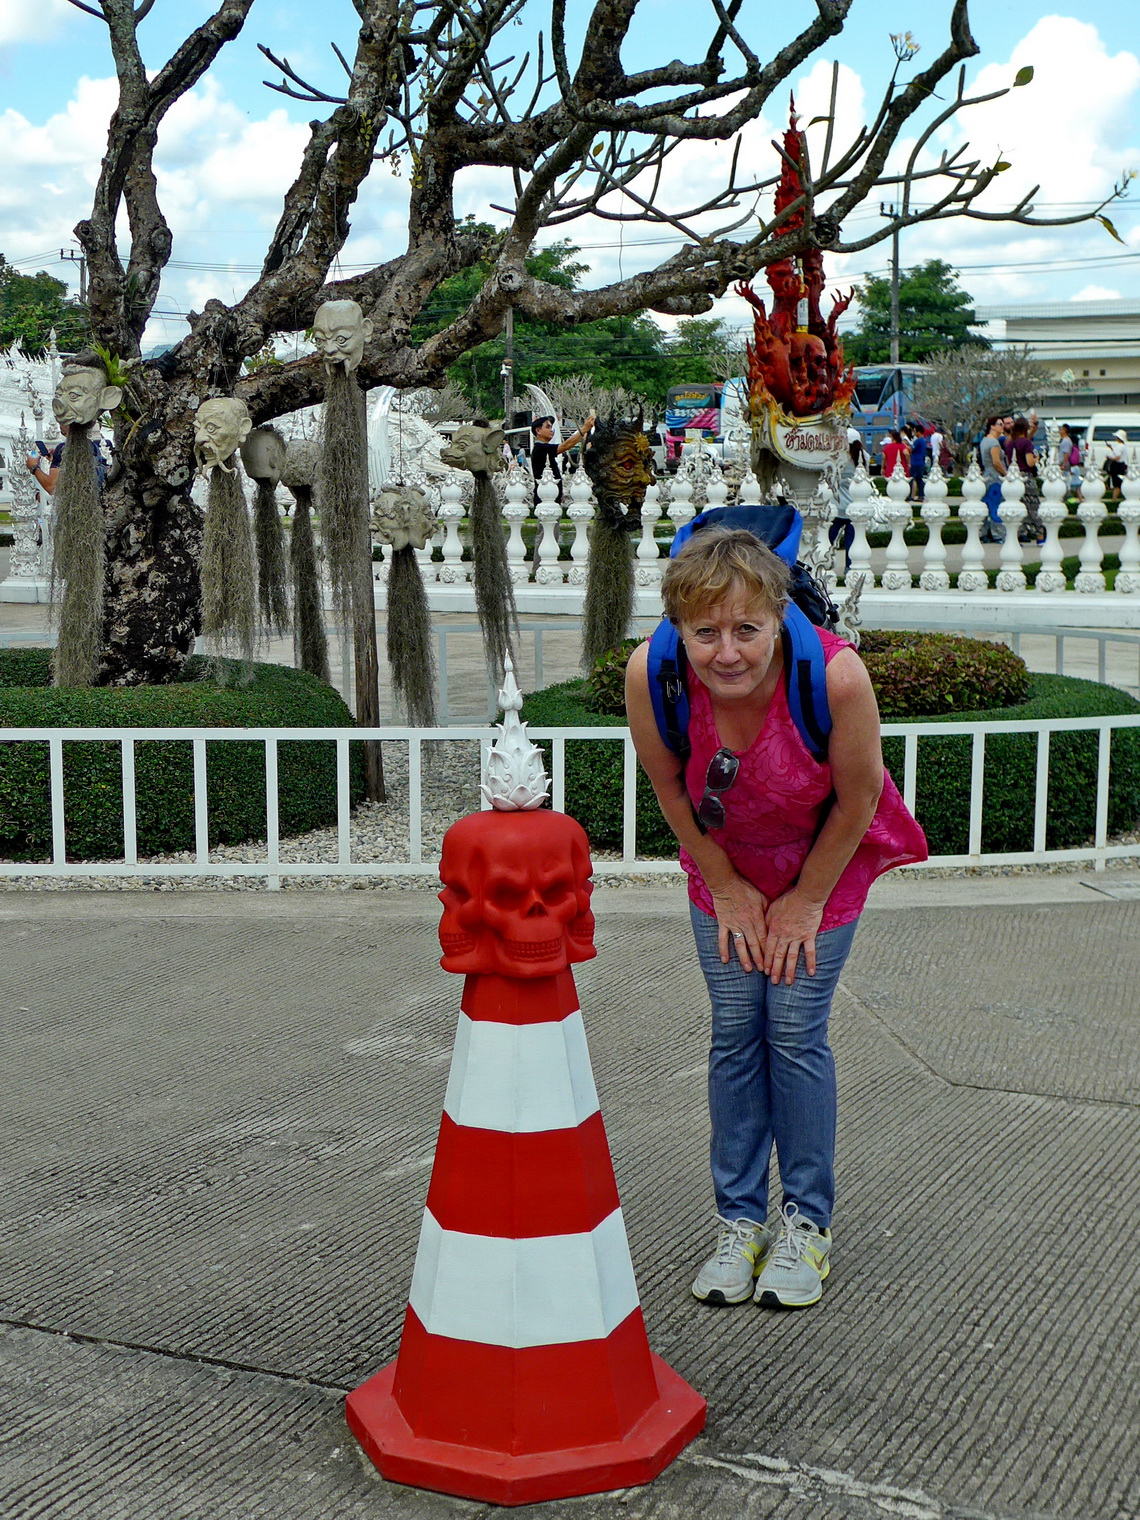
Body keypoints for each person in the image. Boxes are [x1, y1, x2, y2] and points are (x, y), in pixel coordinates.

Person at [625, 528, 927, 1310]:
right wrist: (723, 882)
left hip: (821, 860)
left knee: (791, 1030)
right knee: (735, 1030)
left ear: (777, 618)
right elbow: (669, 790)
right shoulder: (652, 674)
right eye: (705, 632)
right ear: (678, 628)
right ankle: (738, 1219)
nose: (726, 652)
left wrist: (805, 899)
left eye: (746, 630)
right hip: (725, 864)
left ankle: (806, 1222)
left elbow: (860, 798)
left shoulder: (834, 677)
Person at [530, 412, 595, 504]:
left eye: (551, 427)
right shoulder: (540, 448)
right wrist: (584, 429)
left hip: (551, 497)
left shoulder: (544, 448)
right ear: (538, 430)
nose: (551, 430)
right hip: (545, 500)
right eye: (547, 427)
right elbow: (566, 445)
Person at [1004, 417, 1044, 543]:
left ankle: (1018, 534)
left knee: (1017, 506)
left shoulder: (1009, 443)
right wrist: (1036, 459)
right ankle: (1040, 536)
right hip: (1026, 477)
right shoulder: (1026, 443)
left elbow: (1007, 461)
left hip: (1013, 477)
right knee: (1033, 507)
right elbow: (1029, 462)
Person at [979, 415, 1007, 543]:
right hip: (995, 476)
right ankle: (999, 534)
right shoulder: (994, 443)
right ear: (992, 426)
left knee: (987, 504)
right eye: (1000, 424)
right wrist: (1006, 474)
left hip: (986, 475)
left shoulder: (984, 440)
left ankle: (984, 533)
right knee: (996, 505)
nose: (1003, 427)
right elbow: (996, 461)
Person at [1105, 429, 1129, 503]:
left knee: (1117, 484)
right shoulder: (1122, 446)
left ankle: (1114, 499)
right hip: (1121, 465)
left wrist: (1110, 458)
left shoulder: (1120, 446)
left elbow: (1117, 457)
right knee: (1119, 483)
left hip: (1118, 466)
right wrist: (1111, 448)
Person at [908, 427, 929, 502]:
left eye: (915, 431)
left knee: (911, 479)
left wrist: (905, 445)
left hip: (915, 462)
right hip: (921, 462)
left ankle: (910, 495)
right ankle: (921, 495)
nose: (914, 433)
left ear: (919, 432)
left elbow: (911, 449)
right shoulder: (924, 440)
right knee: (919, 480)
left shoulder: (918, 440)